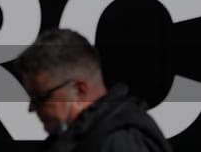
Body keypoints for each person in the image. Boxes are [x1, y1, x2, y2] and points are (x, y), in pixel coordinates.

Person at [14, 29, 172, 152]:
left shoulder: (120, 141)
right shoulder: (74, 139)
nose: (31, 108)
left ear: (79, 90)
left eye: (40, 97)